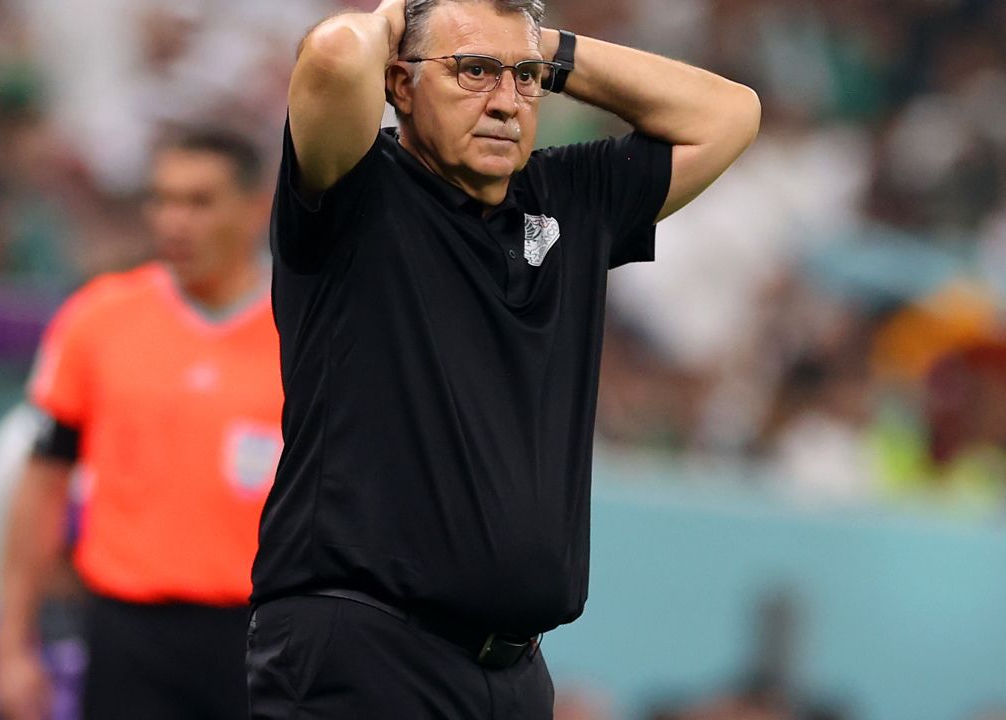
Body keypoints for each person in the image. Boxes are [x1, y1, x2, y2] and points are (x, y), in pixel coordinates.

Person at [249, 0, 761, 717]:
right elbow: (335, 55)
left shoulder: (569, 196)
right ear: (400, 84)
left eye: (525, 80)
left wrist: (540, 46)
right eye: (474, 72)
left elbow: (730, 113)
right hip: (362, 652)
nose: (505, 102)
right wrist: (411, 11)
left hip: (513, 675)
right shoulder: (357, 189)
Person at [0, 128, 283, 720]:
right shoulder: (97, 320)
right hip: (128, 635)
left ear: (255, 208)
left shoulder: (304, 330)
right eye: (163, 199)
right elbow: (43, 486)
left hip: (262, 637)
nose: (175, 221)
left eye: (199, 202)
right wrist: (11, 644)